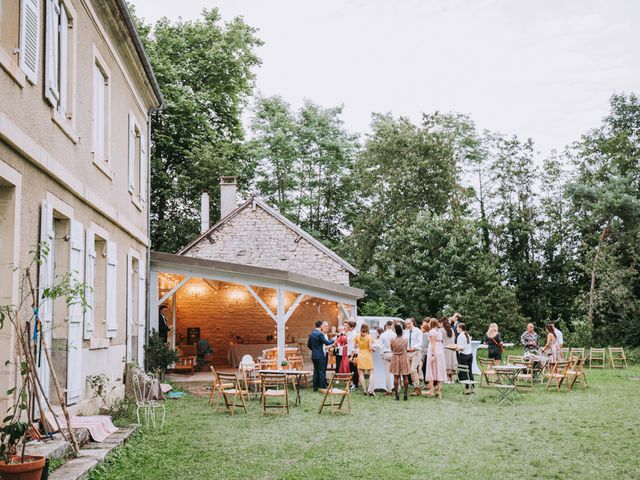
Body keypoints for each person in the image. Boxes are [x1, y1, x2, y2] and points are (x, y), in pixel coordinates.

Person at [307, 320, 334, 391]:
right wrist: (334, 339)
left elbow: (308, 345)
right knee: (322, 371)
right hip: (320, 355)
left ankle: (315, 387)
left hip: (314, 355)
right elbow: (327, 343)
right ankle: (323, 388)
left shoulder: (311, 333)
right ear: (321, 326)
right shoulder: (320, 334)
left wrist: (315, 350)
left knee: (316, 371)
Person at [424, 318, 447, 398]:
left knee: (431, 370)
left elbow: (433, 343)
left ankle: (431, 391)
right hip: (440, 351)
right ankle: (439, 391)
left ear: (431, 323)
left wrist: (433, 355)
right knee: (439, 370)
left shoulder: (432, 331)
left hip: (434, 351)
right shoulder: (439, 331)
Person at [390, 323, 411, 401]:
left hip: (395, 357)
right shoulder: (405, 339)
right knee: (405, 376)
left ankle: (397, 396)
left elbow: (391, 349)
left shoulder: (392, 339)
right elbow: (406, 348)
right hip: (403, 357)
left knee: (396, 377)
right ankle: (405, 395)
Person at [403, 318, 423, 396]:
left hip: (415, 352)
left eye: (408, 324)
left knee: (413, 370)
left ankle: (417, 388)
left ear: (412, 323)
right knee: (409, 370)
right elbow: (404, 342)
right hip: (407, 353)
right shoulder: (406, 332)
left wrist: (413, 348)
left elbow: (420, 343)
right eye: (406, 324)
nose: (407, 325)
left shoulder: (418, 331)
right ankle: (415, 386)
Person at [355, 323, 375, 395]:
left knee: (361, 373)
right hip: (368, 356)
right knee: (371, 372)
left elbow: (354, 346)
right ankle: (371, 390)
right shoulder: (369, 337)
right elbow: (370, 347)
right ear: (367, 329)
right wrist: (373, 349)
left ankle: (364, 390)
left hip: (360, 355)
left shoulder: (357, 336)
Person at [455, 322, 474, 394]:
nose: (456, 329)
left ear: (460, 328)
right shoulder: (467, 334)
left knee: (465, 372)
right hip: (470, 355)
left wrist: (454, 349)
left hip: (464, 355)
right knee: (470, 372)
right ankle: (472, 388)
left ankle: (467, 389)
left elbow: (461, 348)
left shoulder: (460, 336)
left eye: (457, 327)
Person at [379, 320, 395, 395]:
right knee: (396, 372)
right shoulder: (394, 334)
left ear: (386, 326)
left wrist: (381, 355)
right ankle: (397, 388)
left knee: (387, 373)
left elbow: (381, 346)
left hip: (386, 353)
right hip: (394, 354)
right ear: (392, 326)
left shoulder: (383, 335)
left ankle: (389, 390)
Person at [441, 317, 457, 382]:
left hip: (445, 348)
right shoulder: (451, 330)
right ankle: (451, 379)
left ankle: (446, 379)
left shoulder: (442, 330)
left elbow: (440, 339)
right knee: (451, 362)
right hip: (451, 348)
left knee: (446, 362)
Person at [346, 321, 359, 390]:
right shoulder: (350, 333)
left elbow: (355, 345)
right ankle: (353, 383)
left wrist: (352, 355)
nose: (347, 327)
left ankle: (356, 384)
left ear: (352, 327)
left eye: (348, 326)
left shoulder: (354, 334)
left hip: (353, 353)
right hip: (349, 352)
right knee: (351, 369)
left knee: (354, 369)